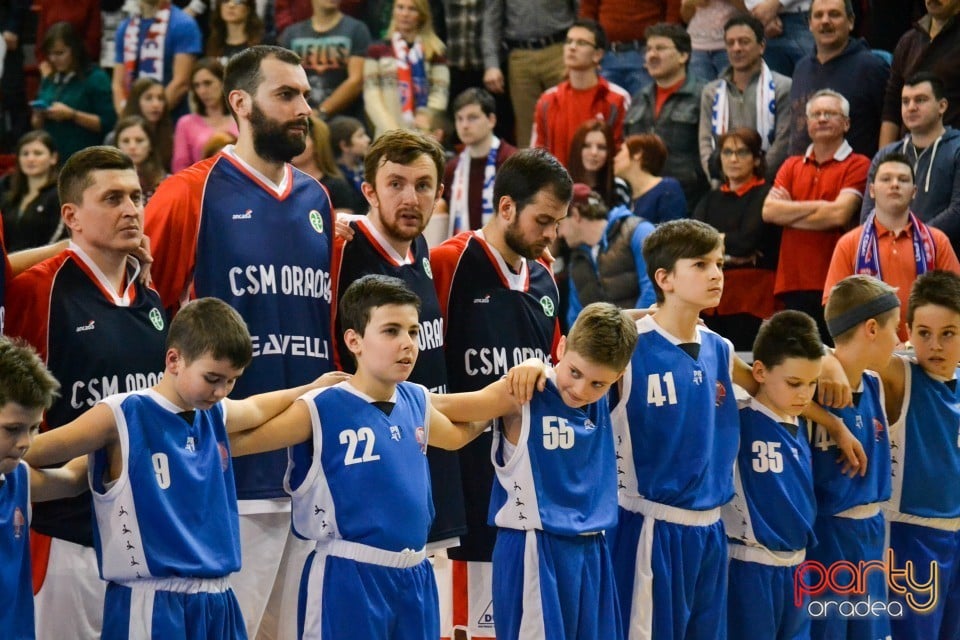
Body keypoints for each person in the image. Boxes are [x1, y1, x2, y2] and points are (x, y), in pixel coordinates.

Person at [143, 45, 335, 640]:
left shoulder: (318, 201)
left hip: (308, 468)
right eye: (287, 95)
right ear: (240, 103)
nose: (304, 108)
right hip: (223, 471)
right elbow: (148, 320)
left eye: (305, 94)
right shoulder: (187, 193)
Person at [23, 297, 347, 640]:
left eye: (232, 381)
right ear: (174, 360)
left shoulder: (215, 414)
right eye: (212, 378)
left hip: (218, 599)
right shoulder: (120, 414)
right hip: (152, 601)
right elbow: (39, 449)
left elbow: (255, 407)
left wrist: (311, 389)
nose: (221, 391)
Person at [228, 274, 490, 640]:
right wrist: (305, 389)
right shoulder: (321, 407)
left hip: (415, 573)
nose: (407, 344)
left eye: (413, 332)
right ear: (354, 340)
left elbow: (459, 435)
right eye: (391, 331)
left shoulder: (416, 399)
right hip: (348, 576)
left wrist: (508, 405)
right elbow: (239, 438)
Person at [5, 146, 170, 639]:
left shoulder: (152, 295)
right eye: (113, 198)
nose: (132, 209)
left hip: (143, 530)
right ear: (71, 216)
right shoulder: (37, 291)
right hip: (63, 530)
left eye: (137, 196)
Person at [432, 302, 639, 640]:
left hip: (593, 551)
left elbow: (641, 321)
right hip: (535, 548)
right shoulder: (523, 392)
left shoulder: (608, 389)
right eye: (574, 372)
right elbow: (441, 405)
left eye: (597, 384)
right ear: (560, 347)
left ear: (618, 376)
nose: (581, 390)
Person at [430, 147, 569, 638]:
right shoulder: (449, 261)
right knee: (464, 625)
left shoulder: (547, 278)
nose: (551, 234)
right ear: (506, 207)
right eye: (543, 220)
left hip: (524, 480)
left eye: (558, 223)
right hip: (462, 474)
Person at [331, 129, 468, 549]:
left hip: (429, 450)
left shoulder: (422, 247)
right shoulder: (342, 248)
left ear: (439, 192)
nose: (410, 198)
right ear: (369, 190)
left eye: (423, 186)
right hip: (371, 460)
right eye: (396, 185)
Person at [607, 218, 740, 639]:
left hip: (712, 528)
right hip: (649, 526)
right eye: (700, 264)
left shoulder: (722, 348)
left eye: (719, 263)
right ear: (663, 278)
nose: (716, 274)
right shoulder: (627, 347)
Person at [808, 275, 899, 640]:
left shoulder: (875, 383)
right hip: (828, 535)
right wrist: (824, 358)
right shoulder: (810, 383)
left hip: (871, 530)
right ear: (872, 328)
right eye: (896, 328)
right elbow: (768, 369)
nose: (900, 339)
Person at [723, 310, 822, 640]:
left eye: (812, 384)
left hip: (798, 569)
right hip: (750, 566)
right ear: (761, 371)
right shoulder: (739, 412)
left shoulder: (800, 421)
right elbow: (715, 354)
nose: (804, 394)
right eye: (794, 384)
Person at [878, 269, 960, 640]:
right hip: (910, 536)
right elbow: (844, 355)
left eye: (948, 334)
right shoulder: (901, 374)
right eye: (924, 333)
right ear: (907, 330)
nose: (935, 346)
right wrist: (831, 364)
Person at [763, 88, 870, 342]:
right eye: (816, 114)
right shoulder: (790, 164)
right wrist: (822, 207)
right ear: (808, 124)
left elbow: (838, 215)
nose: (822, 119)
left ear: (846, 123)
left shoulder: (859, 164)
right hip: (793, 282)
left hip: (837, 283)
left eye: (830, 113)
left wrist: (791, 211)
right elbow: (769, 211)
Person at [0, 337, 88, 640]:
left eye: (34, 427)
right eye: (12, 429)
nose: (26, 442)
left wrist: (125, 432)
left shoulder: (17, 479)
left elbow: (74, 480)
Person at [825, 152, 960, 341]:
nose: (894, 184)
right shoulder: (849, 243)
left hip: (925, 352)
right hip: (869, 357)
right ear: (871, 190)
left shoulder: (937, 242)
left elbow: (956, 300)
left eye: (903, 179)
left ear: (914, 191)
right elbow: (834, 308)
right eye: (886, 179)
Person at [695, 127, 780, 351]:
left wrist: (714, 242)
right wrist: (729, 249)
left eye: (742, 153)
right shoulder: (710, 197)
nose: (733, 159)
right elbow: (693, 240)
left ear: (755, 159)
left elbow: (746, 242)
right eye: (727, 152)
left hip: (751, 293)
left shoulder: (766, 193)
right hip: (712, 292)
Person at [863, 72, 960, 255]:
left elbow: (957, 211)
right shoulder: (886, 154)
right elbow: (869, 211)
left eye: (920, 100)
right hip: (887, 258)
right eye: (905, 101)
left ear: (942, 106)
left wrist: (911, 240)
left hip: (944, 263)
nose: (911, 107)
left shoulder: (957, 149)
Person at [624, 23, 709, 215]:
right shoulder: (639, 98)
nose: (652, 55)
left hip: (691, 201)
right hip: (642, 201)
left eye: (660, 48)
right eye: (649, 49)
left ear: (683, 56)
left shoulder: (704, 94)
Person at [787, 0, 889, 158]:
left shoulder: (872, 67)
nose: (825, 21)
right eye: (818, 15)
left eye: (834, 14)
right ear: (810, 24)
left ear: (850, 22)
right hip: (804, 176)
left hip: (855, 177)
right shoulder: (801, 68)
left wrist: (883, 165)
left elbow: (890, 122)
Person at [698, 13, 792, 184]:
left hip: (767, 186)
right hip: (723, 186)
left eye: (744, 42)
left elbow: (782, 143)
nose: (736, 48)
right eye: (730, 43)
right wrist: (719, 178)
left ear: (761, 46)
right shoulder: (711, 91)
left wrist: (752, 180)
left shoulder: (783, 87)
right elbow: (705, 144)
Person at [529, 19, 631, 173]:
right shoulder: (547, 100)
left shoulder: (617, 99)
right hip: (558, 192)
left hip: (603, 190)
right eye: (569, 41)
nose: (572, 47)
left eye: (581, 43)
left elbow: (622, 154)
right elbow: (536, 154)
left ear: (598, 54)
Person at [560, 184, 656, 330]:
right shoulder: (576, 261)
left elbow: (653, 289)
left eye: (559, 223)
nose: (559, 234)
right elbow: (575, 320)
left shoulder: (638, 231)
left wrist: (628, 336)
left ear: (576, 215)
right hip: (604, 350)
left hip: (646, 339)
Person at [482, 0, 574, 147]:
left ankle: (571, 168)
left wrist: (579, 54)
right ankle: (530, 169)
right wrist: (491, 64)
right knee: (527, 127)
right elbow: (491, 21)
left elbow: (582, 9)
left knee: (568, 119)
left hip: (560, 50)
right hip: (520, 55)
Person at [32, 21, 117, 163]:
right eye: (50, 54)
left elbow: (109, 123)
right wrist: (38, 117)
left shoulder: (96, 78)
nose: (54, 59)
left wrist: (73, 115)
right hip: (52, 160)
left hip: (85, 159)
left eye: (60, 53)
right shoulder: (50, 78)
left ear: (75, 50)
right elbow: (37, 126)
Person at [879, 0, 960, 148]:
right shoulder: (908, 41)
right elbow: (892, 106)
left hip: (952, 155)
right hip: (907, 153)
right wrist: (885, 161)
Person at [363, 0, 449, 138]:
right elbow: (371, 97)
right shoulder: (376, 50)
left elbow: (440, 92)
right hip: (387, 135)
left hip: (423, 133)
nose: (405, 14)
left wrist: (426, 116)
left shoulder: (435, 51)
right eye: (400, 8)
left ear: (422, 14)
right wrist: (393, 132)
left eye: (412, 9)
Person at [442, 87, 518, 237]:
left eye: (472, 118)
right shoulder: (452, 169)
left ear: (491, 120)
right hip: (465, 253)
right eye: (459, 118)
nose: (464, 125)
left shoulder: (512, 161)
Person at [280, 0, 372, 123]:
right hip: (299, 116)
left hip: (345, 120)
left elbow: (356, 81)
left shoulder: (357, 29)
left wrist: (321, 113)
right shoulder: (291, 34)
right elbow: (283, 80)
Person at [112, 0, 203, 119]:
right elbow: (118, 84)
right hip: (133, 123)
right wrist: (127, 119)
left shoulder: (183, 24)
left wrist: (149, 120)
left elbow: (181, 83)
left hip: (171, 123)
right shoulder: (125, 28)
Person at [582, 0, 678, 97]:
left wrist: (662, 50)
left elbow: (673, 12)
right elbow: (588, 11)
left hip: (645, 56)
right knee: (603, 108)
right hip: (605, 56)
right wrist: (591, 50)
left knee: (647, 108)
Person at [172, 57, 239, 172]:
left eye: (207, 83)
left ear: (223, 82)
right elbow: (180, 168)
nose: (202, 91)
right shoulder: (186, 123)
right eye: (197, 86)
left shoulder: (242, 119)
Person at [0, 131, 63, 252]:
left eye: (37, 153)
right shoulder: (8, 193)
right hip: (7, 265)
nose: (30, 159)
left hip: (42, 266)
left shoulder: (60, 195)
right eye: (25, 154)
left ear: (53, 158)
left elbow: (57, 242)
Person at [292, 116, 361, 214]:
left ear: (317, 144)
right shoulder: (284, 184)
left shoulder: (336, 187)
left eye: (301, 139)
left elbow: (341, 227)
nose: (294, 145)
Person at [613, 133, 686, 224]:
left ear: (638, 153)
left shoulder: (668, 188)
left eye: (620, 151)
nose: (615, 159)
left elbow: (673, 234)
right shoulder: (627, 198)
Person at [112, 77, 175, 171]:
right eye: (148, 98)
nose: (156, 104)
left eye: (160, 98)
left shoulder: (170, 137)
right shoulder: (113, 137)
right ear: (136, 102)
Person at [745, 0, 815, 77]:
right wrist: (762, 15)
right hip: (764, 26)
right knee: (773, 85)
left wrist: (775, 4)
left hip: (799, 18)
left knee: (815, 81)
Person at [114, 115, 168, 205]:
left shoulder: (166, 183)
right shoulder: (105, 182)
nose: (132, 147)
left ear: (150, 145)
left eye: (139, 140)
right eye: (126, 141)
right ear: (116, 146)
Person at [683, 0, 738, 83]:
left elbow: (749, 10)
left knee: (732, 90)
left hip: (729, 45)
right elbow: (686, 18)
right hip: (697, 47)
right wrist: (689, 4)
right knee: (701, 92)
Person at [567, 119, 617, 206]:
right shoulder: (560, 188)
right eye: (586, 146)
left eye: (601, 147)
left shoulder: (618, 188)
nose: (594, 152)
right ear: (577, 149)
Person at [329, 115, 372, 215]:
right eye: (360, 136)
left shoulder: (367, 169)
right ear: (344, 145)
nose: (367, 139)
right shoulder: (336, 179)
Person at [206, 0, 267, 65]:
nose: (231, 5)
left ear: (248, 9)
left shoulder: (263, 43)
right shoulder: (212, 43)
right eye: (225, 1)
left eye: (238, 1)